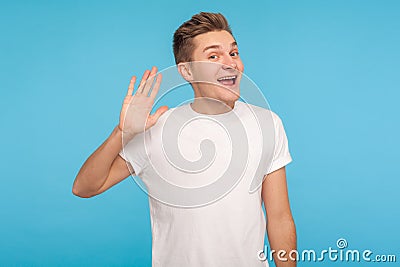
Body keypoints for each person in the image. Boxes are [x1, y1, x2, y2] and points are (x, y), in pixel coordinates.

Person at [73, 12, 296, 267]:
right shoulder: (157, 129)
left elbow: (279, 217)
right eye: (213, 56)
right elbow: (85, 187)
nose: (230, 63)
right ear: (187, 71)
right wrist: (120, 134)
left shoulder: (268, 124)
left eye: (233, 53)